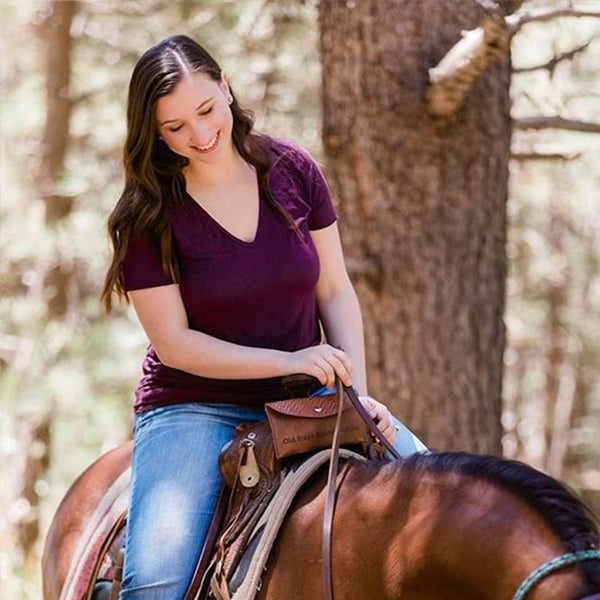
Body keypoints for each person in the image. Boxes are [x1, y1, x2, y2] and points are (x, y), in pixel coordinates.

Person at [100, 34, 428, 600]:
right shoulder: (147, 217)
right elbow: (175, 344)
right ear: (153, 132)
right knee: (156, 585)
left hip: (305, 398)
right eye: (175, 128)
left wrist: (358, 398)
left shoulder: (294, 171)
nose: (200, 136)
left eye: (205, 111)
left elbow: (335, 289)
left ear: (226, 88)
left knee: (447, 501)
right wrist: (293, 358)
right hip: (193, 406)